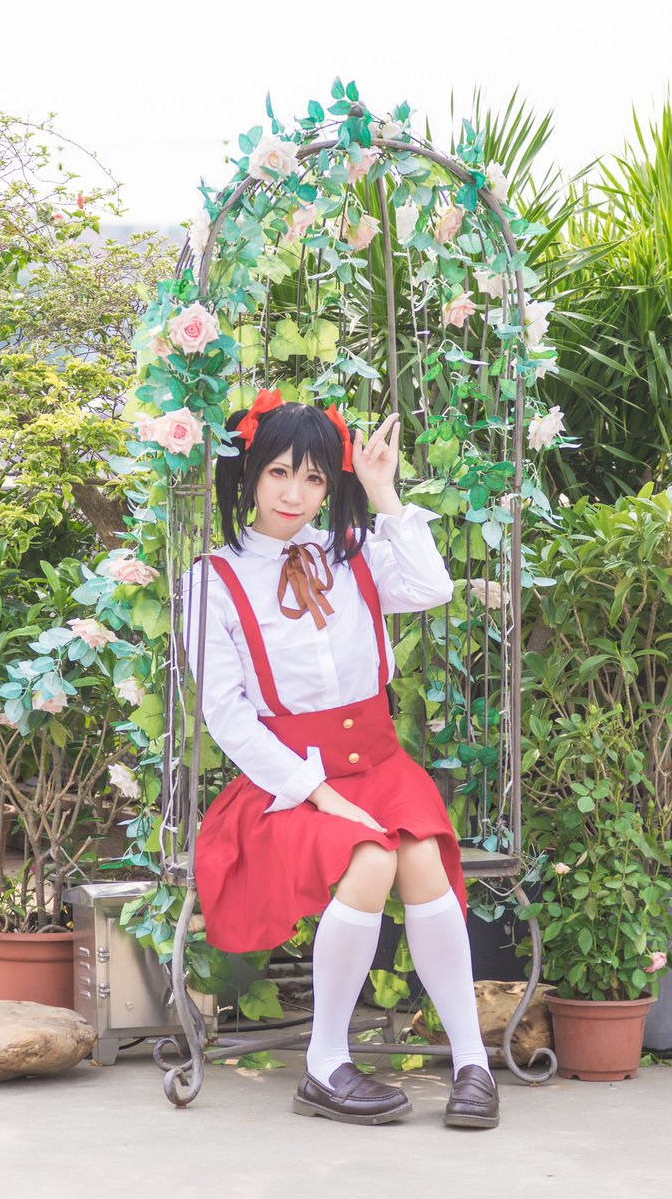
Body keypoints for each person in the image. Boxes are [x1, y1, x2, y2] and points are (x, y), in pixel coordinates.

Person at [183, 389, 498, 1129]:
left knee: (421, 855)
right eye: (279, 473)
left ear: (333, 485)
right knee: (371, 857)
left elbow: (433, 588)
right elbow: (227, 715)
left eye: (315, 478)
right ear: (249, 474)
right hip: (288, 781)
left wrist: (383, 492)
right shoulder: (213, 579)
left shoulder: (352, 551)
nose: (294, 494)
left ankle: (473, 1062)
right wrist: (318, 792)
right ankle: (325, 1064)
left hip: (382, 763)